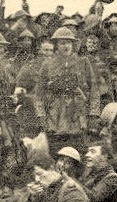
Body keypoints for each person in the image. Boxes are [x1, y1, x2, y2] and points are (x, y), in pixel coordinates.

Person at [34, 26, 100, 154]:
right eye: (62, 43)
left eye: (69, 42)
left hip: (78, 116)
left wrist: (93, 114)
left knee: (79, 154)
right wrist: (41, 116)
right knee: (56, 153)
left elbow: (94, 90)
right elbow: (39, 94)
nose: (66, 46)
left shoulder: (83, 62)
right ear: (56, 45)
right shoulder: (47, 64)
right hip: (55, 118)